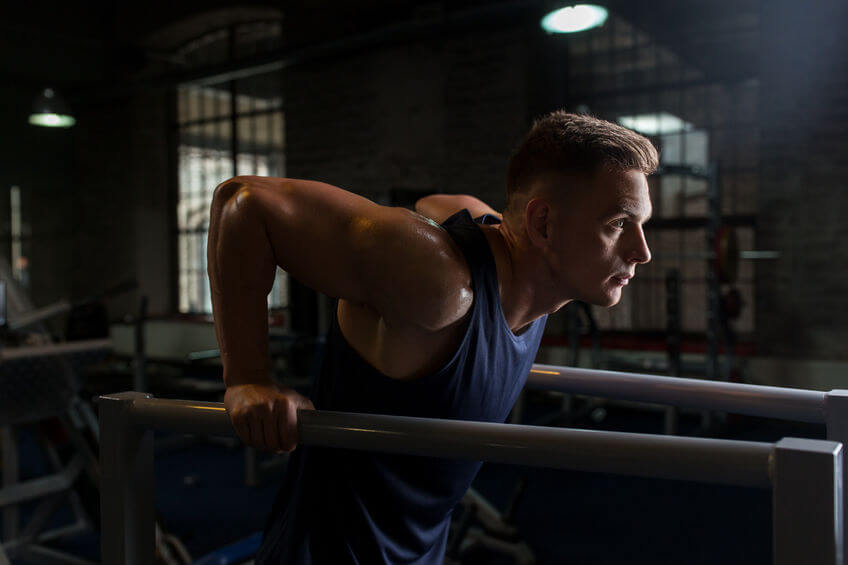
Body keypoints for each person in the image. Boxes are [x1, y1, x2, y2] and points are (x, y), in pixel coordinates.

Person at [207, 110, 658, 564]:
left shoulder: (527, 272)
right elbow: (243, 200)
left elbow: (441, 201)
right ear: (542, 224)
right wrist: (248, 378)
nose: (642, 252)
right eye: (619, 223)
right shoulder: (439, 286)